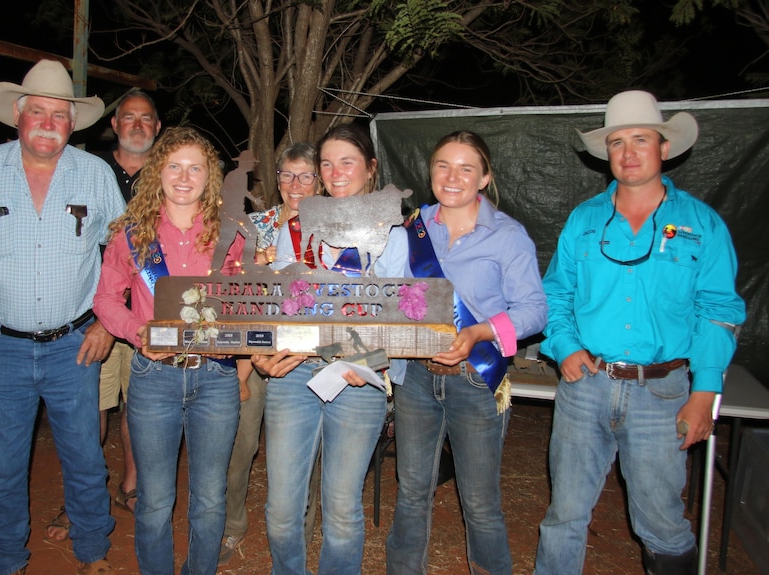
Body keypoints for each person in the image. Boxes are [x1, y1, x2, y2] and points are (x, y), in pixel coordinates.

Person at [533, 90, 746, 575]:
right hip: (586, 389)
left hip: (664, 392)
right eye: (617, 142)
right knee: (564, 515)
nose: (628, 153)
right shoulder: (584, 219)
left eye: (641, 139)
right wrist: (564, 346)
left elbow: (719, 310)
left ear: (665, 148)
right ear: (606, 153)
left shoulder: (702, 224)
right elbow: (555, 294)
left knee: (663, 524)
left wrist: (704, 392)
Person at [0, 59, 122, 575]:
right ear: (17, 114)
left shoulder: (96, 174)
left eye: (59, 114)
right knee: (4, 465)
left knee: (85, 458)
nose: (47, 122)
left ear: (72, 122)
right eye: (37, 111)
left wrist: (108, 322)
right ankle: (7, 558)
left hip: (73, 344)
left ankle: (92, 552)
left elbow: (124, 252)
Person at [386, 131, 548, 575]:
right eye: (442, 165)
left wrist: (479, 331)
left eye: (465, 168)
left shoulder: (508, 235)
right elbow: (394, 296)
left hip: (477, 381)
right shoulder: (409, 228)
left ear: (485, 177)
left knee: (479, 500)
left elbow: (534, 312)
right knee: (412, 489)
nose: (452, 177)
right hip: (416, 377)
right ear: (430, 171)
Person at [252, 123, 408, 575]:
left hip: (359, 377)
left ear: (370, 168)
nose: (335, 172)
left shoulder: (395, 235)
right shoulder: (297, 229)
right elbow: (276, 305)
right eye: (326, 163)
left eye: (347, 161)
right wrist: (263, 351)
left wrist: (367, 363)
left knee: (341, 511)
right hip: (296, 372)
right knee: (283, 511)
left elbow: (405, 321)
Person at [93, 126, 240, 575]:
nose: (183, 176)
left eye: (195, 167)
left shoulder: (230, 236)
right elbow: (104, 299)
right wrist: (139, 333)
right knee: (155, 498)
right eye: (174, 166)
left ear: (208, 177)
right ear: (158, 172)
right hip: (153, 379)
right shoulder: (131, 235)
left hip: (216, 379)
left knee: (210, 497)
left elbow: (244, 305)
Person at [45, 88, 162, 541]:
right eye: (127, 117)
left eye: (145, 118)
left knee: (142, 406)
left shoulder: (174, 173)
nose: (136, 125)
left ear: (157, 127)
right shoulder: (85, 171)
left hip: (147, 314)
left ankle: (133, 487)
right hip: (89, 312)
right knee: (88, 408)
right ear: (113, 125)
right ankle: (83, 498)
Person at [220, 142, 321, 564]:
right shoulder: (255, 225)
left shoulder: (331, 231)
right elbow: (235, 296)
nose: (294, 185)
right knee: (238, 445)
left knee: (307, 453)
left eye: (305, 176)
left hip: (307, 357)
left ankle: (304, 529)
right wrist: (244, 365)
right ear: (275, 179)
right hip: (251, 353)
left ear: (319, 180)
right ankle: (230, 527)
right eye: (286, 175)